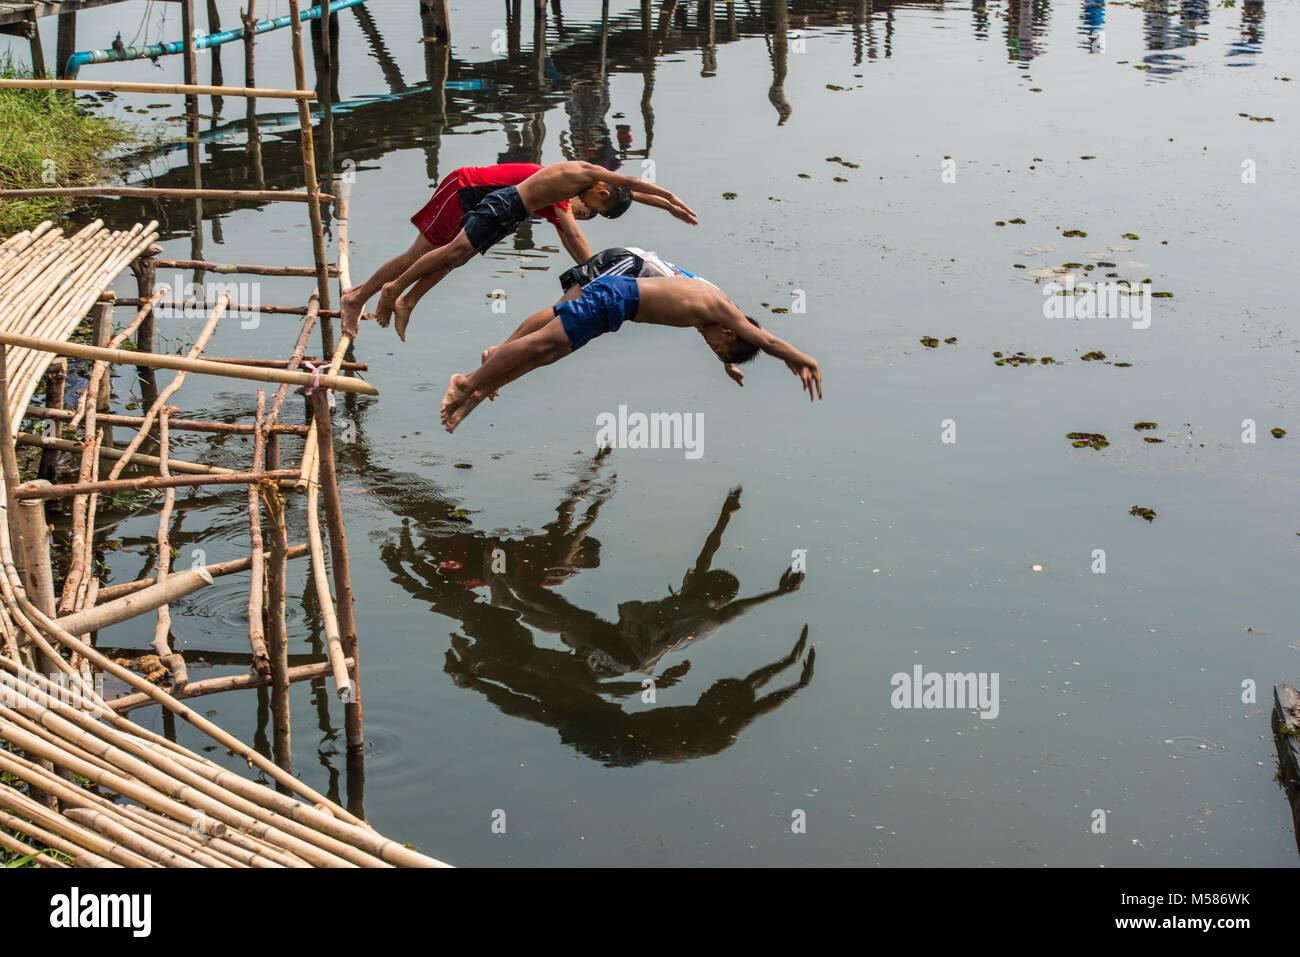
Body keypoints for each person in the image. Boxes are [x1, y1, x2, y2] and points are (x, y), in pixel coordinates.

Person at [340, 161, 697, 341]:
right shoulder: (569, 187)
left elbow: (630, 191)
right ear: (599, 193)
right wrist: (593, 275)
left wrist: (665, 206)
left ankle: (405, 300)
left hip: (496, 206)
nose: (580, 213)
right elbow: (577, 235)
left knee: (451, 259)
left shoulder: (577, 188)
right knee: (417, 256)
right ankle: (363, 297)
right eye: (589, 210)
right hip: (468, 189)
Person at [440, 274, 823, 433]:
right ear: (729, 330)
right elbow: (765, 340)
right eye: (717, 347)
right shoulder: (721, 311)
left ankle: (474, 391)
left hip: (616, 307)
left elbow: (750, 336)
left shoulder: (716, 308)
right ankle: (469, 382)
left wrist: (728, 363)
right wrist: (803, 358)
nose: (710, 346)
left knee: (549, 354)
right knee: (544, 344)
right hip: (616, 298)